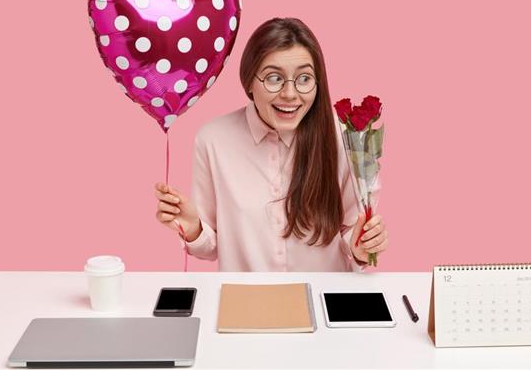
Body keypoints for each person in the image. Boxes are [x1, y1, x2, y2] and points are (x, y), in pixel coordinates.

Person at [154, 17, 388, 271]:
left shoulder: (341, 135)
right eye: (274, 78)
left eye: (304, 79)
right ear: (249, 81)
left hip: (322, 301)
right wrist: (194, 228)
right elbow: (211, 246)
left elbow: (352, 234)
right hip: (248, 302)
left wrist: (363, 247)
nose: (290, 94)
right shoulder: (212, 140)